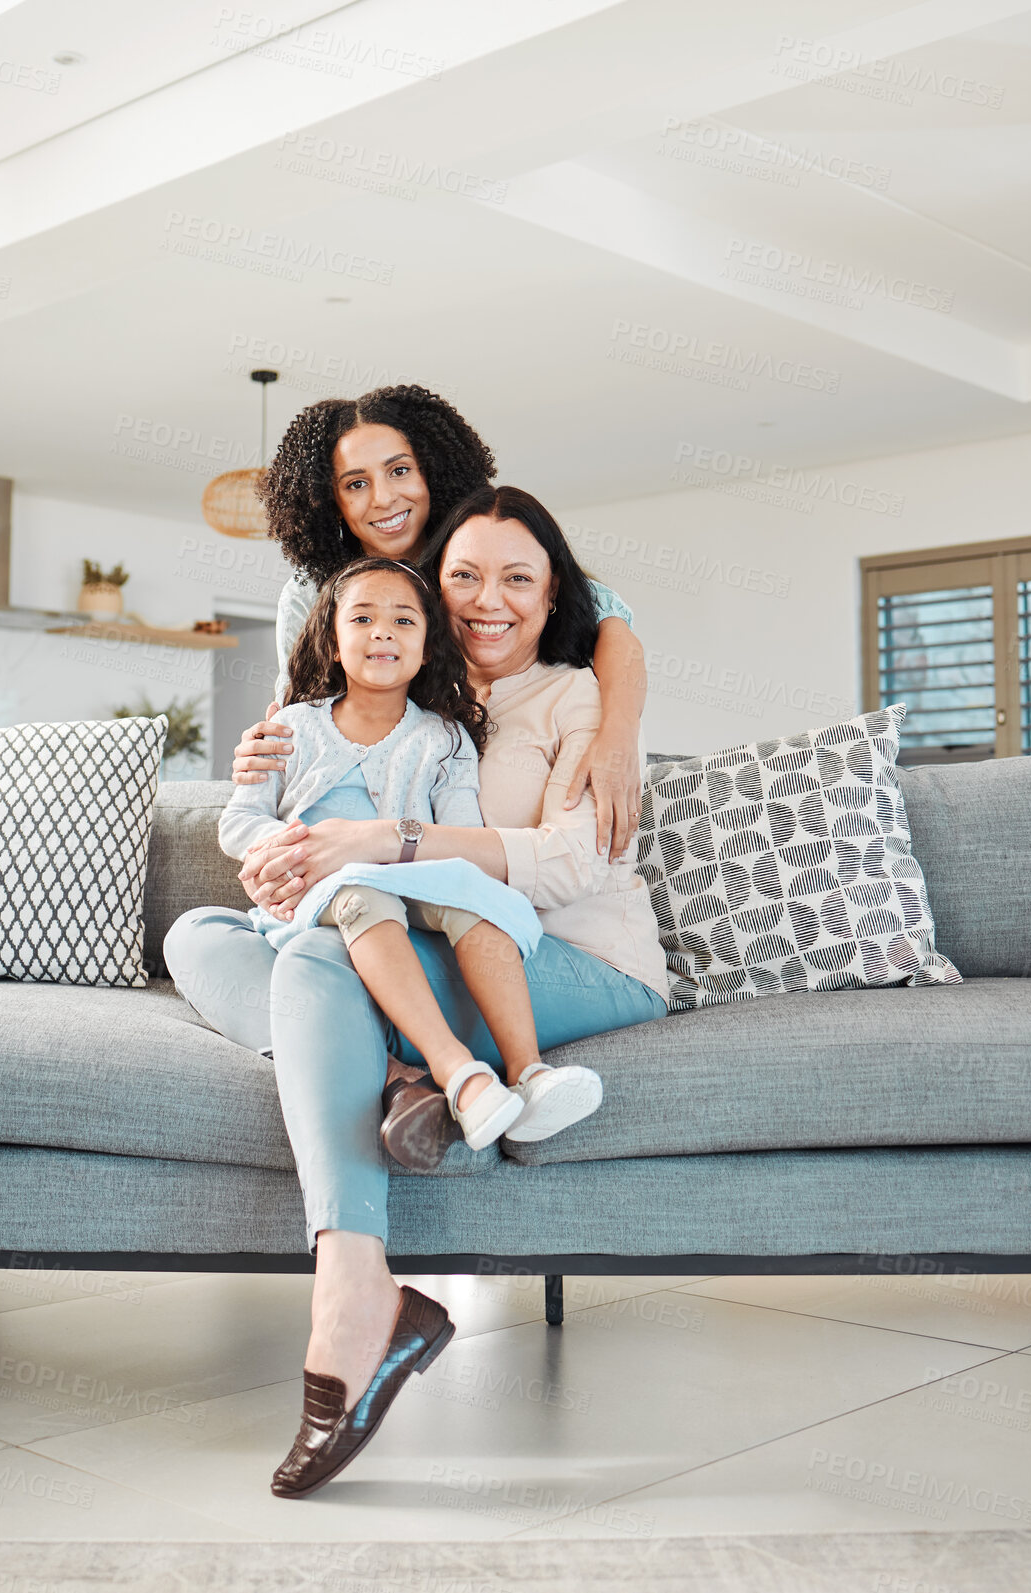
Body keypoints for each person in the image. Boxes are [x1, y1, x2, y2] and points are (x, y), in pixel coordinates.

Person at [163, 485, 668, 1500]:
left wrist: (372, 846)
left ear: (551, 593)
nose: (489, 600)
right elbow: (285, 798)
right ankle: (397, 1070)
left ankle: (352, 1296)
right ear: (433, 595)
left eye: (518, 580)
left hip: (569, 956)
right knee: (206, 932)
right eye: (464, 578)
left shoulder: (575, 699)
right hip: (422, 940)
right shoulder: (418, 707)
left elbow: (569, 866)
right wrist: (277, 851)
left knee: (319, 958)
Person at [220, 553, 606, 1153]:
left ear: (428, 647)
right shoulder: (293, 727)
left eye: (404, 621)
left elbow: (457, 838)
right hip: (317, 891)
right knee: (360, 889)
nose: (382, 632)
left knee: (472, 890)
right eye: (364, 619)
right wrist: (285, 853)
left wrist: (440, 874)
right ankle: (460, 1076)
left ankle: (529, 1074)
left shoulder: (444, 737)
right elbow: (239, 820)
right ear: (332, 639)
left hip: (414, 877)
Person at [243, 384, 648, 861]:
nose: (383, 498)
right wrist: (264, 754)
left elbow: (613, 628)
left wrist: (618, 738)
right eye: (355, 484)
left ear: (432, 470)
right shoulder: (312, 595)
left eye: (399, 470)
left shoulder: (472, 550)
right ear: (328, 502)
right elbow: (303, 706)